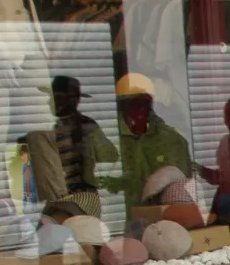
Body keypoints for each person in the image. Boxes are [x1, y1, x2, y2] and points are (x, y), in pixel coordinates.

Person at [27, 75, 116, 219]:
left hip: (70, 201)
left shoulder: (53, 131)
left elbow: (112, 155)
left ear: (69, 101)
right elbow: (110, 154)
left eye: (55, 98)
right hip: (89, 200)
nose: (50, 102)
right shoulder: (89, 125)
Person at [105, 74, 193, 211]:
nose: (142, 111)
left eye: (146, 105)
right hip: (122, 222)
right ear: (123, 107)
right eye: (136, 105)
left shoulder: (172, 139)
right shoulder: (108, 139)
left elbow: (184, 189)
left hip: (165, 220)